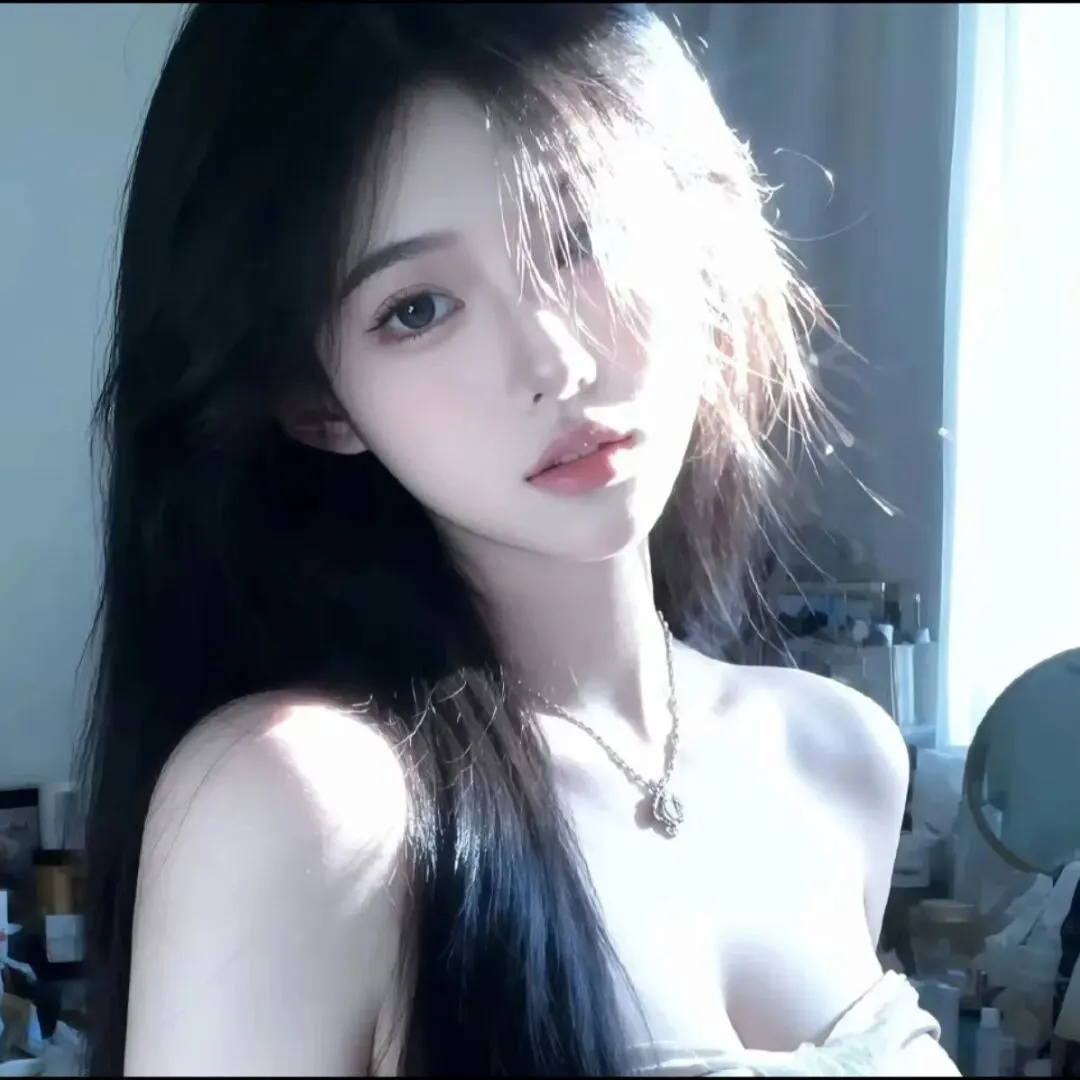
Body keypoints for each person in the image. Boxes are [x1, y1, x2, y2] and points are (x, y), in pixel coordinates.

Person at [79, 4, 958, 1076]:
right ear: (316, 402)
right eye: (417, 308)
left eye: (582, 233)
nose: (556, 361)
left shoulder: (836, 759)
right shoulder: (309, 807)